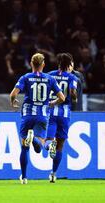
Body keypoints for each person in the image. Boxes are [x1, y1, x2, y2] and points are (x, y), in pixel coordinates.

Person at [10, 53, 65, 184]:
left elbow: (13, 94)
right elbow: (62, 98)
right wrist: (53, 103)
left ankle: (24, 177)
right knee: (42, 143)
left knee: (24, 147)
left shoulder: (26, 77)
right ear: (43, 64)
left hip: (28, 114)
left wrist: (13, 101)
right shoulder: (50, 79)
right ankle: (49, 144)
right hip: (42, 115)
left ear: (31, 63)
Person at [46, 53, 78, 183]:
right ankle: (53, 173)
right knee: (61, 144)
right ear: (70, 64)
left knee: (48, 139)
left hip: (51, 112)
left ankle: (49, 145)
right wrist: (74, 98)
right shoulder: (72, 77)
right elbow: (73, 92)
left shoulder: (49, 75)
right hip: (64, 114)